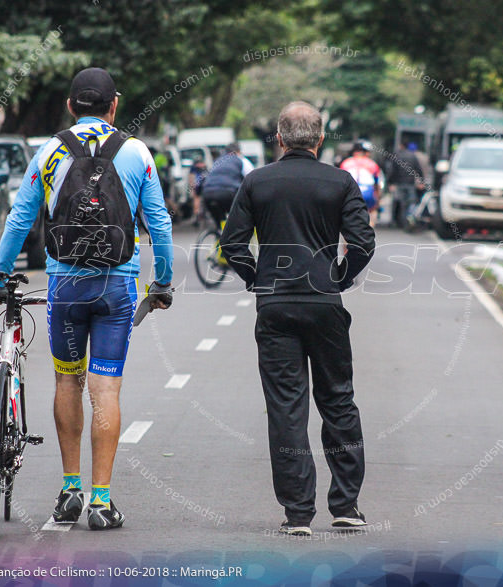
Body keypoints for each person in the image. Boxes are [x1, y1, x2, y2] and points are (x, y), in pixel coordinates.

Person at [0, 67, 175, 530]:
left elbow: (19, 220)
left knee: (68, 382)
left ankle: (69, 489)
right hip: (117, 288)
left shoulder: (48, 151)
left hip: (66, 286)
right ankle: (101, 502)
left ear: (69, 106)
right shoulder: (138, 152)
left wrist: (1, 276)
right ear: (114, 105)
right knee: (106, 389)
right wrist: (161, 283)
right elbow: (159, 223)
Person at [220, 101, 375, 536]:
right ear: (320, 139)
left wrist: (257, 279)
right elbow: (363, 242)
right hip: (325, 305)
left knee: (287, 408)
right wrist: (339, 279)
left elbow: (232, 245)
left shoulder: (257, 182)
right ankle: (346, 505)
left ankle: (298, 514)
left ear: (280, 138)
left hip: (276, 308)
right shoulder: (340, 182)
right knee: (338, 401)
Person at [197, 142, 254, 227]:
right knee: (238, 218)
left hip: (207, 193)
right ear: (239, 152)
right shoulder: (242, 160)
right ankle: (233, 234)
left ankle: (219, 233)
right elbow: (251, 179)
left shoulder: (218, 161)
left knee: (219, 222)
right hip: (227, 192)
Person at [340, 140, 381, 227]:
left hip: (350, 195)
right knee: (372, 211)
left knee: (347, 219)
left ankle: (347, 238)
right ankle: (370, 230)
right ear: (365, 152)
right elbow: (377, 184)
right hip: (367, 194)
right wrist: (378, 200)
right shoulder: (372, 164)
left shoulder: (346, 163)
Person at [384, 140, 424, 228]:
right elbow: (418, 169)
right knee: (411, 202)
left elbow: (392, 171)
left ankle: (399, 222)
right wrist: (421, 181)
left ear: (401, 146)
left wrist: (390, 183)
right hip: (410, 183)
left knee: (400, 202)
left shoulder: (397, 156)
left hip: (399, 183)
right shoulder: (413, 156)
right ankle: (409, 219)